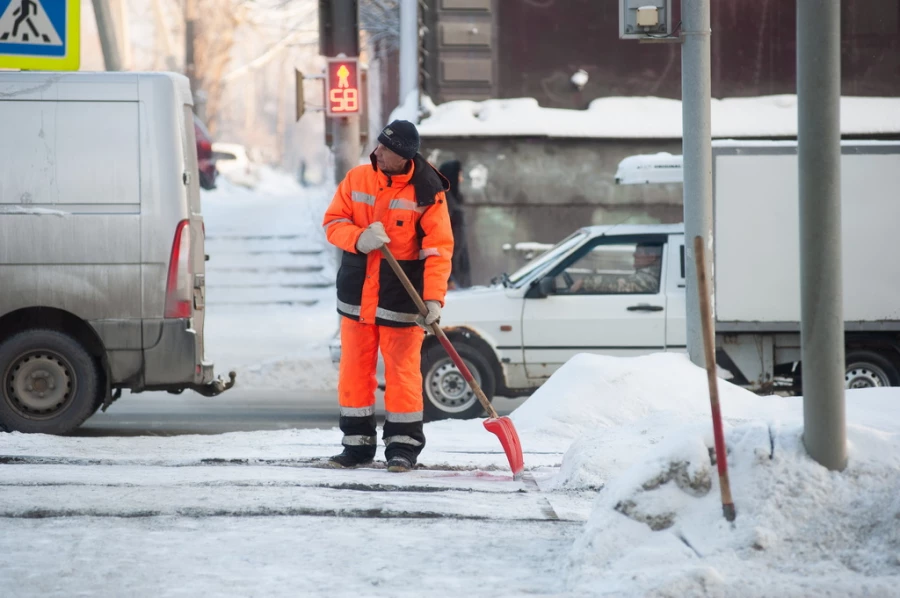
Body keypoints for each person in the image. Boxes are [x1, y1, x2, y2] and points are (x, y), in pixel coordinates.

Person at [321, 120, 454, 473]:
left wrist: (434, 299)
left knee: (402, 374)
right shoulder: (357, 179)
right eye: (378, 145)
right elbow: (333, 223)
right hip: (356, 296)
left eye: (386, 149)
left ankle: (403, 448)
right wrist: (358, 238)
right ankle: (356, 446)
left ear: (404, 157)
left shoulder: (428, 192)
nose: (377, 152)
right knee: (354, 373)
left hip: (401, 297)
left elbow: (438, 251)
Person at [438, 160, 472, 288]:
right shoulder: (445, 201)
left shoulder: (453, 199)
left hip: (458, 264)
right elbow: (444, 240)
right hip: (451, 268)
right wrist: (448, 277)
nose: (461, 180)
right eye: (459, 175)